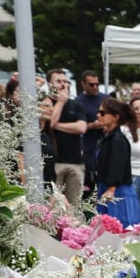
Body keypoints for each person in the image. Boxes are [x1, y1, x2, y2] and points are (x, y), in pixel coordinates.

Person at [92, 98, 140, 225]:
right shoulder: (107, 138)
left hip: (117, 192)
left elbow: (117, 165)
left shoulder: (118, 140)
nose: (98, 115)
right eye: (99, 112)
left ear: (115, 117)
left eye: (103, 113)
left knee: (120, 228)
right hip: (105, 189)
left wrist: (111, 188)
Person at [43, 71, 88, 205]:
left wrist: (57, 126)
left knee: (75, 204)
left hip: (75, 161)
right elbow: (49, 123)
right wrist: (61, 102)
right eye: (58, 81)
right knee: (53, 204)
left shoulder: (75, 105)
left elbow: (81, 128)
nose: (63, 85)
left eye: (65, 81)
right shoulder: (45, 102)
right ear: (49, 84)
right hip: (55, 162)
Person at [73, 71, 105, 192]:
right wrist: (92, 125)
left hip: (104, 144)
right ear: (83, 84)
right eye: (91, 85)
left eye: (97, 84)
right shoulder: (78, 102)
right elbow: (76, 126)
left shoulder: (105, 99)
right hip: (87, 146)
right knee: (88, 184)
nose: (95, 87)